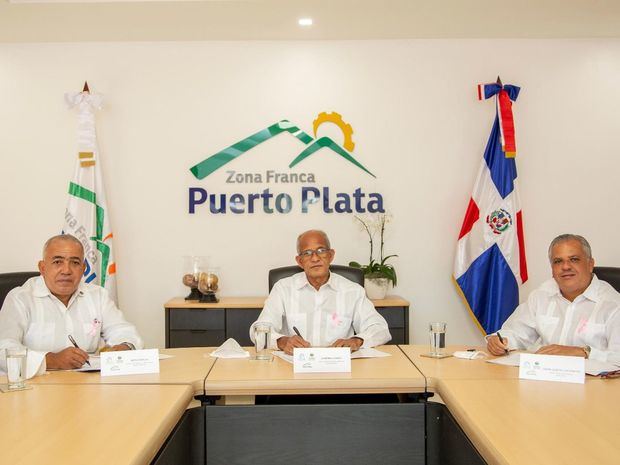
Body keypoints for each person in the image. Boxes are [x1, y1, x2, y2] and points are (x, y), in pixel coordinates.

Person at [0, 234, 143, 376]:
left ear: (83, 268)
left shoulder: (97, 295)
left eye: (75, 263)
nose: (66, 270)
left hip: (87, 385)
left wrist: (125, 346)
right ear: (42, 268)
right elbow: (4, 348)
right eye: (57, 262)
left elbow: (124, 331)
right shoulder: (20, 298)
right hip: (35, 387)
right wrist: (51, 360)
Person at [251, 229, 391, 355]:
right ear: (299, 261)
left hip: (339, 368)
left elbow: (380, 329)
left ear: (331, 255)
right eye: (307, 253)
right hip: (294, 366)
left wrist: (357, 340)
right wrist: (282, 341)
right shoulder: (283, 288)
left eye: (321, 250)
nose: (315, 258)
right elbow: (258, 331)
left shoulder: (352, 290)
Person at [487, 234, 620, 363]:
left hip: (594, 383)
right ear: (552, 269)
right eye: (558, 261)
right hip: (544, 378)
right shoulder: (541, 294)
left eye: (574, 259)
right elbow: (516, 333)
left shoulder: (613, 304)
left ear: (590, 264)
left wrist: (584, 353)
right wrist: (500, 341)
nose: (566, 266)